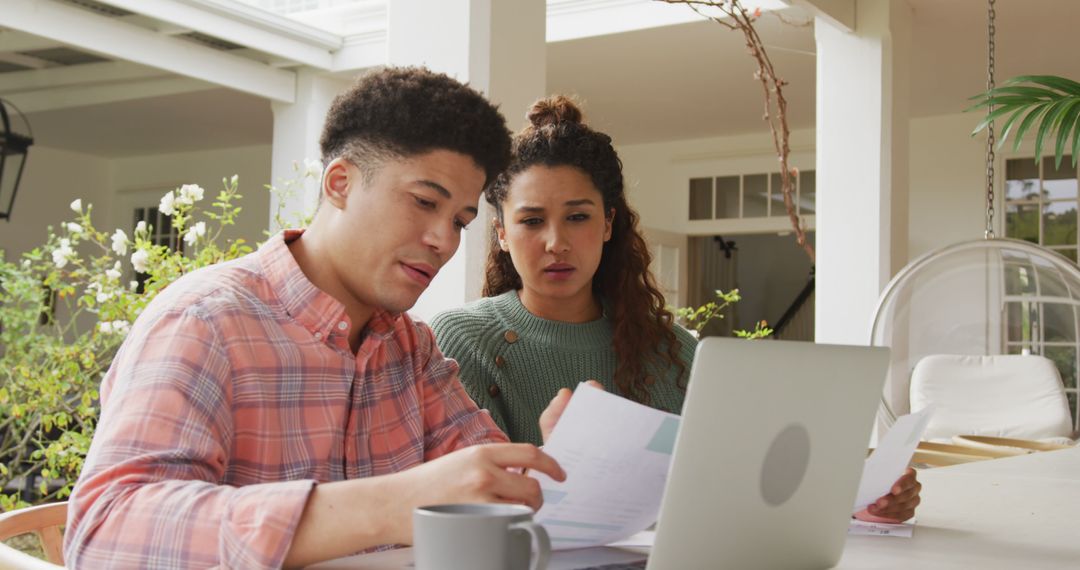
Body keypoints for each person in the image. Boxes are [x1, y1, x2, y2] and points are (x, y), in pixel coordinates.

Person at [63, 68, 568, 570]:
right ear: (340, 183)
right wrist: (389, 505)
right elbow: (107, 532)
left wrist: (568, 455)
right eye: (423, 202)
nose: (444, 240)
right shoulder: (204, 321)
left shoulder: (410, 347)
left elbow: (485, 481)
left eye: (459, 220)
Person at [432, 95, 920, 524]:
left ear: (607, 224)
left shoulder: (672, 349)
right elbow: (471, 510)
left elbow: (736, 482)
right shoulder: (463, 341)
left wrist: (857, 502)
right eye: (532, 221)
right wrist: (567, 456)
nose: (556, 242)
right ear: (501, 233)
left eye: (578, 217)